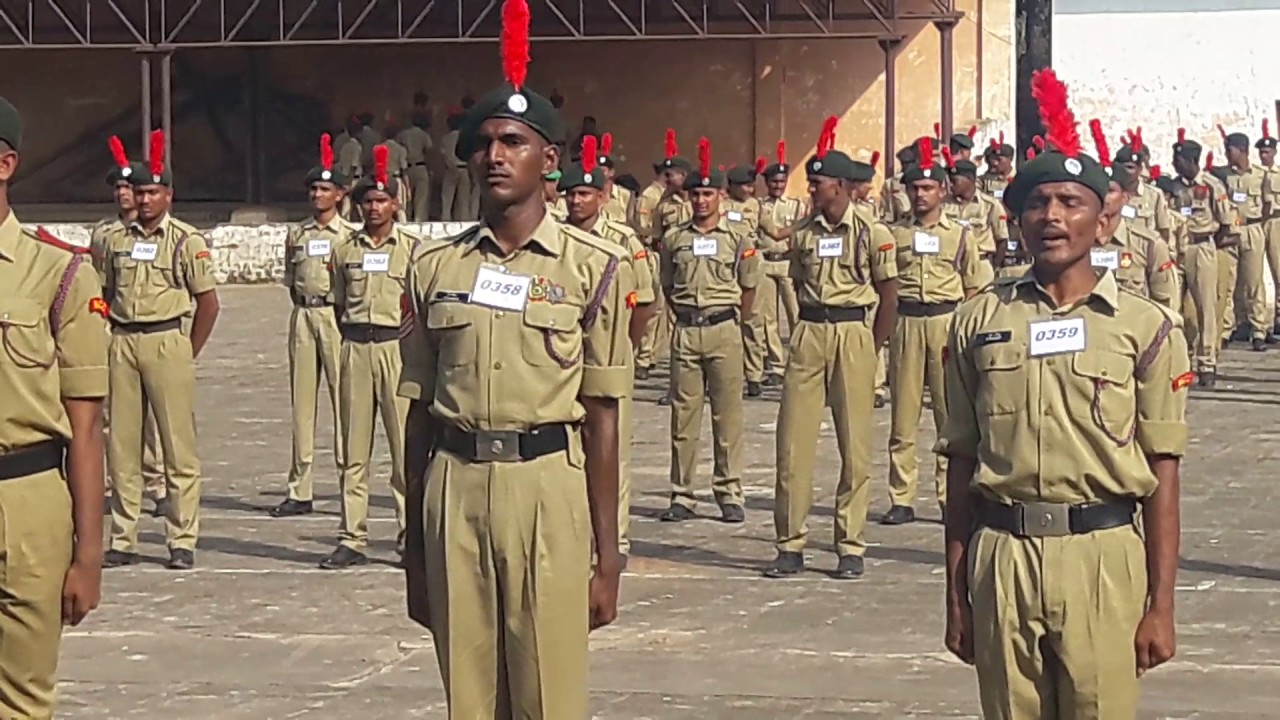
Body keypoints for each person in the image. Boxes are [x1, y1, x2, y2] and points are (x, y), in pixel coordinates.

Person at [399, 2, 633, 713]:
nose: (494, 156)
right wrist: (413, 544)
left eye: (513, 141)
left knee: (547, 695)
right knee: (468, 698)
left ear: (550, 160)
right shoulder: (434, 267)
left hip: (547, 490)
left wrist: (608, 556)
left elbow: (603, 418)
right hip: (455, 487)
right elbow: (416, 412)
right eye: (482, 143)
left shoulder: (595, 267)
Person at [941, 69, 1189, 719]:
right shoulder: (976, 321)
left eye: (1070, 202)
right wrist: (957, 594)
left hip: (1102, 556)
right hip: (1003, 556)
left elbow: (1163, 468)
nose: (1052, 216)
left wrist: (1161, 605)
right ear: (1016, 219)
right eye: (1036, 202)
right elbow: (961, 462)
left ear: (1101, 220)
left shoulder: (1144, 327)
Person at [0, 95, 106, 718]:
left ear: (5, 164)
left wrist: (88, 556)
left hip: (28, 497)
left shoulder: (58, 272)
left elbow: (86, 430)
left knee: (22, 698)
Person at [764, 119, 898, 580]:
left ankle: (850, 544)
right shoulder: (803, 232)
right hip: (809, 332)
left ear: (839, 187)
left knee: (855, 446)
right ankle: (790, 543)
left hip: (853, 333)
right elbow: (799, 280)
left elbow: (889, 294)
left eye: (817, 183)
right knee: (792, 443)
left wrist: (871, 347)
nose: (811, 189)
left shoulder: (871, 231)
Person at [102, 130, 220, 571]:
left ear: (169, 195)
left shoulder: (186, 241)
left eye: (153, 192)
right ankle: (124, 536)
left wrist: (187, 351)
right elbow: (103, 292)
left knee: (177, 445)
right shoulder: (115, 239)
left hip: (168, 337)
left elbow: (208, 302)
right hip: (123, 339)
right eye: (139, 192)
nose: (144, 199)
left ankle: (182, 536)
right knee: (123, 445)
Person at [559, 136, 656, 565]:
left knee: (610, 449)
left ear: (603, 195)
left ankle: (613, 542)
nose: (576, 201)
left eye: (584, 193)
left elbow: (646, 300)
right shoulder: (555, 237)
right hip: (564, 357)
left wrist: (626, 349)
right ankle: (574, 534)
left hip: (609, 356)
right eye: (570, 193)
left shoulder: (623, 240)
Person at [321, 145, 416, 569]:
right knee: (352, 449)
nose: (374, 208)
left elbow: (419, 305)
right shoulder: (345, 250)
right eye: (367, 201)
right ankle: (352, 535)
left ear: (395, 203)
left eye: (381, 200)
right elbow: (339, 302)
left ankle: (409, 534)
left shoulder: (412, 250)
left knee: (404, 450)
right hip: (356, 347)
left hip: (397, 349)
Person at [657, 137, 761, 523]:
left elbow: (749, 287)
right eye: (695, 195)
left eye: (707, 194)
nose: (701, 201)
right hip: (686, 330)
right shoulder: (674, 238)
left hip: (724, 330)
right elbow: (666, 284)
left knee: (727, 417)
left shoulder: (738, 239)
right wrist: (684, 314)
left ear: (720, 195)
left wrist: (733, 319)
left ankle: (729, 491)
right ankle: (682, 494)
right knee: (683, 418)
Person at [883, 139, 984, 526]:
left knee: (951, 416)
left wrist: (967, 334)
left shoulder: (959, 235)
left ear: (942, 190)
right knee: (903, 416)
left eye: (927, 188)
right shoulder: (895, 234)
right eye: (914, 188)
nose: (920, 195)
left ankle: (949, 495)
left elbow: (972, 285)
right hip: (907, 322)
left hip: (946, 322)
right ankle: (902, 496)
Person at [270, 134, 358, 519]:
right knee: (301, 403)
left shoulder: (350, 237)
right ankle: (299, 487)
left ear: (339, 195)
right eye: (313, 189)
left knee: (345, 404)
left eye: (324, 189)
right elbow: (291, 279)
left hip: (336, 317)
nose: (317, 195)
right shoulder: (299, 234)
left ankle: (347, 483)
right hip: (304, 314)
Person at [95, 137, 168, 516]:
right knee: (113, 413)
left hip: (155, 335)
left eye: (131, 188)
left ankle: (154, 480)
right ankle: (114, 483)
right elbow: (98, 284)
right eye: (120, 188)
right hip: (115, 330)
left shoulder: (163, 234)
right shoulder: (106, 235)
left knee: (152, 416)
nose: (125, 195)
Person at [1170, 129, 1236, 388]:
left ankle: (1207, 362)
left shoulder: (1210, 185)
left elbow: (1226, 223)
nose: (1176, 164)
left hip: (1201, 247)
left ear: (1191, 161)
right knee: (1174, 307)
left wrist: (1209, 243)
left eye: (1180, 160)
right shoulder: (1174, 186)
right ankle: (1179, 359)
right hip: (1177, 250)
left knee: (1205, 307)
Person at [755, 141, 806, 384]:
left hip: (787, 263)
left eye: (781, 182)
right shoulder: (759, 206)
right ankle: (776, 366)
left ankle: (800, 362)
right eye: (774, 182)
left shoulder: (797, 205)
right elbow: (774, 232)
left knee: (796, 314)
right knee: (768, 319)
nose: (778, 185)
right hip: (765, 261)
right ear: (767, 183)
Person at [1220, 128, 1268, 350]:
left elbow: (1267, 204)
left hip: (1252, 227)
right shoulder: (1223, 176)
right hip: (1232, 230)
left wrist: (1256, 222)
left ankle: (1259, 328)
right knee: (1228, 282)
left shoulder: (1260, 175)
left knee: (1253, 281)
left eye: (1230, 150)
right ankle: (1228, 328)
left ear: (1242, 150)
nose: (1227, 154)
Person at [397, 112, 434, 222]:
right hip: (420, 166)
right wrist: (430, 169)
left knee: (407, 199)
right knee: (421, 199)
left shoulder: (402, 134)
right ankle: (419, 221)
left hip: (406, 169)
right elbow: (429, 152)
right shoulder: (424, 135)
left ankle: (406, 221)